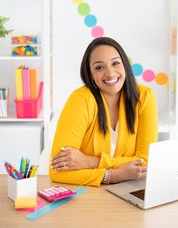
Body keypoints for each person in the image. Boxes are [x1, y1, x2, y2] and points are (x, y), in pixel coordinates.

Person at [50, 37, 158, 186]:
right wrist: (115, 175)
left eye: (115, 63)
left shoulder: (144, 97)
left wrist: (89, 161)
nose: (110, 73)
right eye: (99, 67)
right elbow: (58, 172)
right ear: (90, 74)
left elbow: (145, 162)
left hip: (130, 188)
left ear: (124, 65)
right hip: (88, 194)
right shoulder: (81, 100)